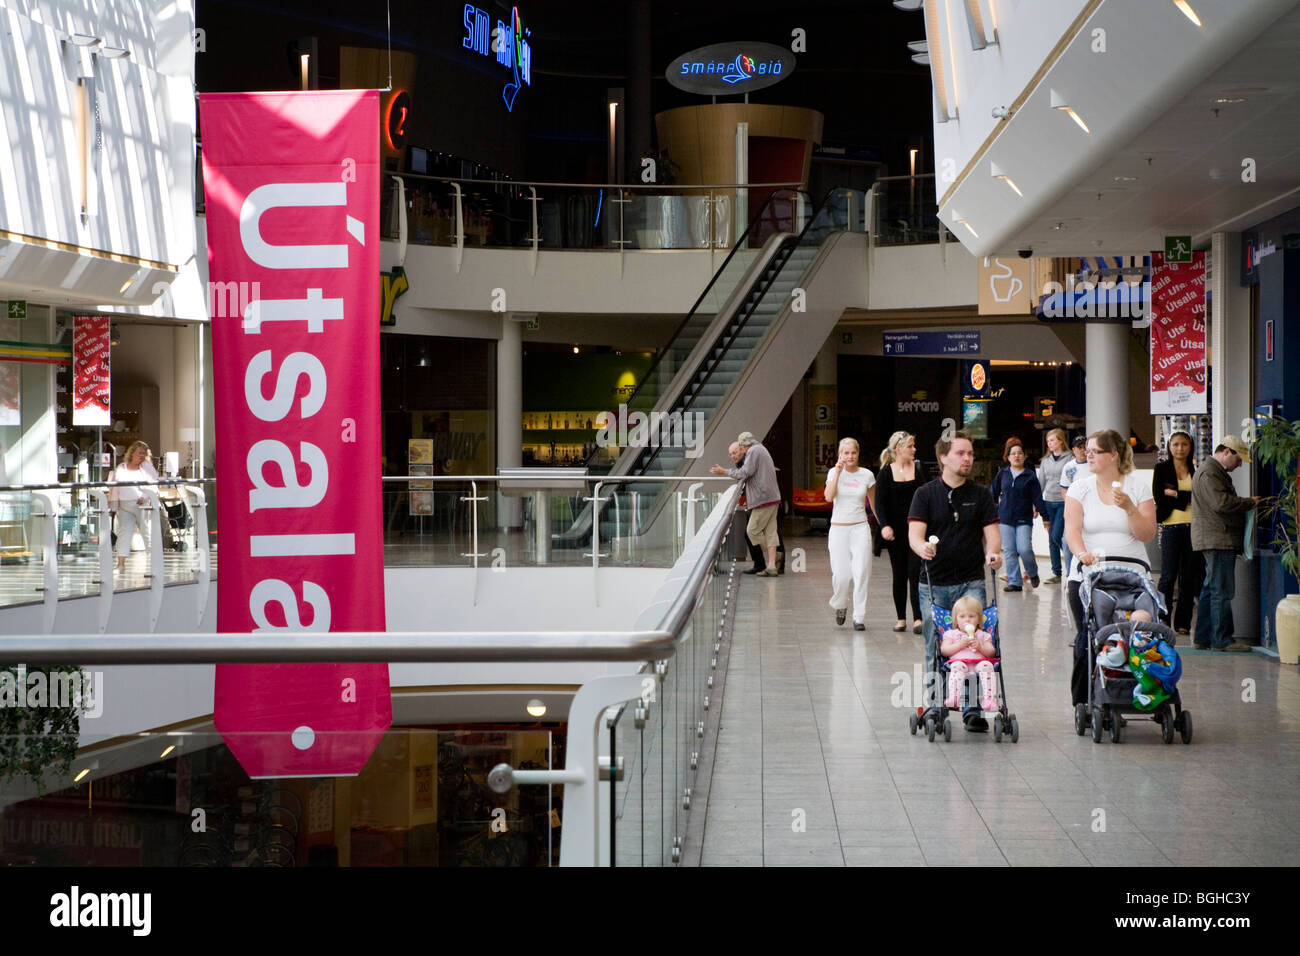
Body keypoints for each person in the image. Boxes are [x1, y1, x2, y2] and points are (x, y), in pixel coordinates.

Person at [909, 430, 1003, 729]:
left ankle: (972, 709)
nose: (968, 459)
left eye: (970, 454)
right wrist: (921, 546)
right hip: (933, 584)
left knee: (974, 643)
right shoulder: (925, 494)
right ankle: (936, 704)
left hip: (970, 582)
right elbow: (914, 535)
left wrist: (994, 554)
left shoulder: (981, 494)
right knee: (935, 645)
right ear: (943, 458)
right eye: (961, 453)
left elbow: (992, 537)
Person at [1064, 429, 1157, 708]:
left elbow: (1147, 534)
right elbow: (1072, 530)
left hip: (1133, 574)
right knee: (1090, 635)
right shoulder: (1080, 487)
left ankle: (1135, 691)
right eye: (1087, 450)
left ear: (1114, 455)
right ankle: (1084, 700)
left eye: (1095, 451)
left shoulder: (1137, 487)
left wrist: (1130, 508)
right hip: (1089, 576)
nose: (1088, 455)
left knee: (1139, 635)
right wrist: (1082, 554)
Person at [1191, 434, 1260, 652]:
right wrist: (1249, 502)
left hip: (1214, 537)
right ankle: (1222, 640)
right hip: (1219, 537)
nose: (1240, 465)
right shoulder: (1211, 472)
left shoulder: (1210, 470)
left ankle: (1203, 637)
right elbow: (1220, 504)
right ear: (1227, 452)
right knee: (1221, 590)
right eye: (1238, 459)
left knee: (1211, 589)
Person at [1154, 430, 1205, 635]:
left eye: (1184, 444)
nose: (1180, 448)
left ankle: (1183, 622)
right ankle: (1162, 618)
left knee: (1189, 577)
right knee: (1168, 575)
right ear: (1169, 447)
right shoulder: (1162, 468)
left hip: (1193, 527)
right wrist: (1185, 497)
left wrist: (1175, 494)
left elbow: (1200, 497)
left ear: (1190, 446)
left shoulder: (1196, 469)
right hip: (1170, 527)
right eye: (1175, 444)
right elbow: (1159, 496)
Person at [711, 434, 781, 578]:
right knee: (770, 532)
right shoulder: (760, 449)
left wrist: (724, 471)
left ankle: (773, 554)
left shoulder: (753, 451)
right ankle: (772, 565)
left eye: (739, 449)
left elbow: (745, 472)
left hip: (763, 499)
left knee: (752, 531)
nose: (739, 452)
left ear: (744, 446)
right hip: (773, 497)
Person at [824, 437, 876, 630]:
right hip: (838, 528)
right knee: (841, 574)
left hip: (860, 527)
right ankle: (840, 604)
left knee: (862, 571)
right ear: (840, 454)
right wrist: (838, 472)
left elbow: (874, 503)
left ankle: (859, 616)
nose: (850, 456)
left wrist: (885, 525)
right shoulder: (833, 473)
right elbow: (829, 496)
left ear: (858, 453)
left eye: (853, 452)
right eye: (846, 453)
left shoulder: (867, 475)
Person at [874, 430, 923, 633]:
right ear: (899, 449)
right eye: (910, 446)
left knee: (915, 572)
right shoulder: (886, 472)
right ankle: (901, 618)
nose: (914, 449)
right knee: (899, 573)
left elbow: (926, 497)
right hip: (895, 531)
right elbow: (879, 502)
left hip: (915, 529)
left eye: (913, 446)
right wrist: (884, 525)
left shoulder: (918, 470)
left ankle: (918, 618)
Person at [990, 437, 1047, 592]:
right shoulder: (1003, 473)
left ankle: (1032, 572)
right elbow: (993, 492)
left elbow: (1037, 498)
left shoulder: (1030, 476)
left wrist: (1045, 516)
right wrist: (991, 512)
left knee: (1024, 549)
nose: (1016, 456)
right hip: (1005, 518)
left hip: (1024, 518)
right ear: (1008, 457)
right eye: (1013, 453)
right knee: (1009, 550)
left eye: (1019, 453)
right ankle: (1015, 582)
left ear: (1024, 456)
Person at [940, 595, 998, 712]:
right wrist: (959, 645)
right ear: (956, 620)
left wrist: (980, 646)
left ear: (979, 619)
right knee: (957, 666)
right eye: (962, 616)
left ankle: (989, 699)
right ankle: (954, 697)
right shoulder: (951, 634)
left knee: (988, 666)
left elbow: (991, 652)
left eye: (971, 616)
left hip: (978, 664)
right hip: (959, 663)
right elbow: (944, 650)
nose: (967, 620)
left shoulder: (982, 635)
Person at [109, 440, 160, 572]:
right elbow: (114, 486)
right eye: (139, 452)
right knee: (124, 533)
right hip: (125, 505)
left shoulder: (147, 467)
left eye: (144, 453)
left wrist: (144, 496)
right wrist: (114, 504)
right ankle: (120, 564)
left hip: (142, 504)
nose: (141, 455)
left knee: (147, 532)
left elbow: (154, 484)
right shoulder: (122, 467)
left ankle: (154, 564)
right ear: (132, 453)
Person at [1038, 428, 1071, 583]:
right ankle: (1056, 572)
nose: (1049, 444)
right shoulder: (1045, 461)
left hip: (1063, 502)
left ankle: (1072, 560)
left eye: (1052, 440)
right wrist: (1036, 505)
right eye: (1048, 441)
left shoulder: (1069, 459)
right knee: (1051, 540)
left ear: (1060, 441)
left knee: (1056, 535)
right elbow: (1041, 483)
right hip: (1048, 502)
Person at [1058, 435, 1091, 578]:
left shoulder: (1094, 464)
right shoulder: (1069, 467)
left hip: (1091, 510)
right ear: (1073, 450)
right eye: (1080, 447)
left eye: (1086, 447)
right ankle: (1070, 572)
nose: (1083, 450)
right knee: (1067, 541)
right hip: (1074, 510)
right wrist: (1070, 503)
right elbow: (1064, 488)